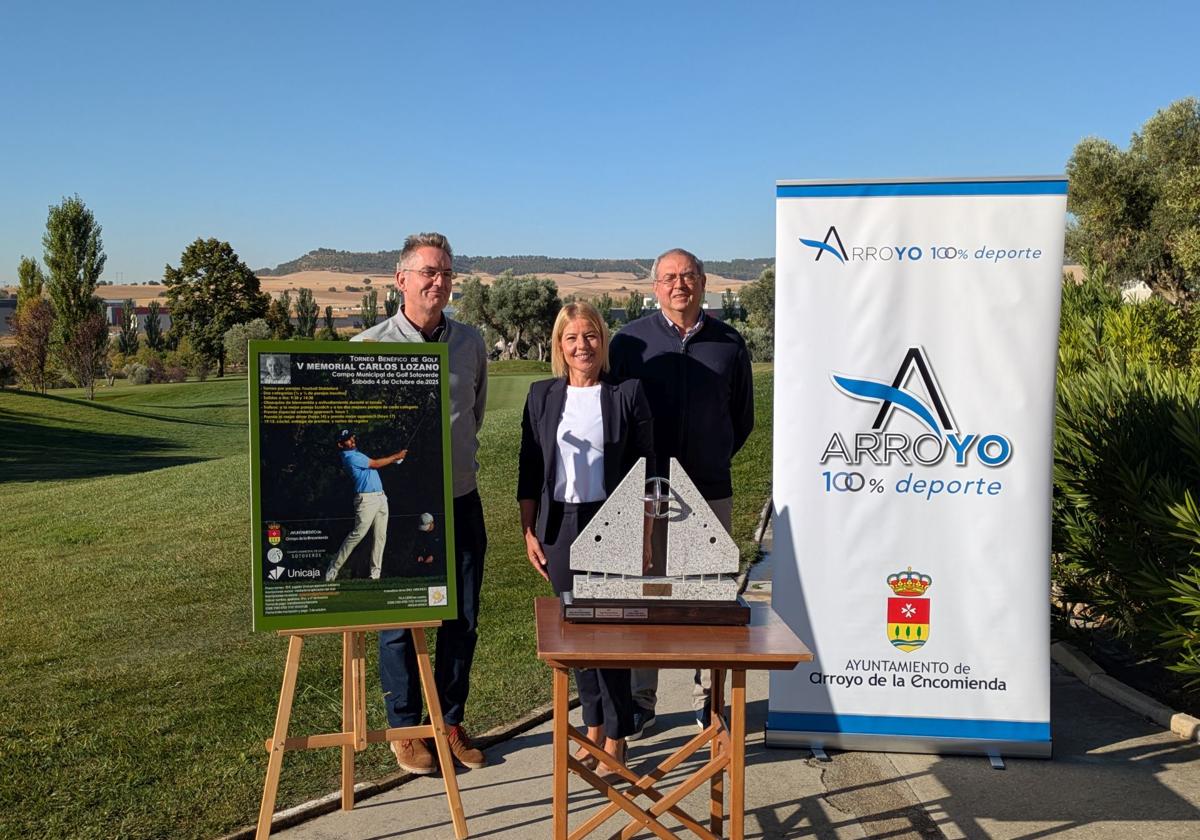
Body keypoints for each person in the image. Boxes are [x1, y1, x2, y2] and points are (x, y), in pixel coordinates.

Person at [353, 232, 489, 775]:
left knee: (464, 616)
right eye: (429, 272)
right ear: (401, 279)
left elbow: (472, 417)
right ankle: (407, 728)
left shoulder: (471, 343)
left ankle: (448, 721)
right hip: (400, 508)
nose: (439, 281)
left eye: (447, 273)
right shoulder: (368, 347)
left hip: (459, 498)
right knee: (398, 618)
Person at [608, 247, 754, 736]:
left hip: (709, 488)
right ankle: (640, 702)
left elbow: (742, 418)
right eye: (669, 277)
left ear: (703, 281)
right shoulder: (629, 342)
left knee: (707, 599)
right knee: (644, 596)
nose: (678, 285)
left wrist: (710, 455)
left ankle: (707, 701)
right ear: (655, 287)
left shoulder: (729, 343)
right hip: (642, 492)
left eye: (687, 276)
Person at [518, 301, 654, 775]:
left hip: (612, 523)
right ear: (560, 345)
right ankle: (592, 723)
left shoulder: (627, 393)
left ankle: (617, 735)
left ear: (603, 341)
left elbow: (646, 469)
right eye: (573, 338)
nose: (583, 346)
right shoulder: (541, 396)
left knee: (609, 635)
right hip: (559, 528)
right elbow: (529, 467)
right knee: (577, 638)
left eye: (591, 336)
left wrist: (646, 535)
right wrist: (528, 529)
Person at [324, 429, 407, 581]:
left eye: (352, 437)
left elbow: (375, 464)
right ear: (340, 444)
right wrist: (396, 456)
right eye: (348, 439)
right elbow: (375, 464)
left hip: (381, 497)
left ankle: (375, 574)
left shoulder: (357, 453)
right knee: (357, 535)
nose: (352, 440)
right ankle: (333, 569)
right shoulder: (349, 457)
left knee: (380, 536)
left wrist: (394, 460)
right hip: (366, 500)